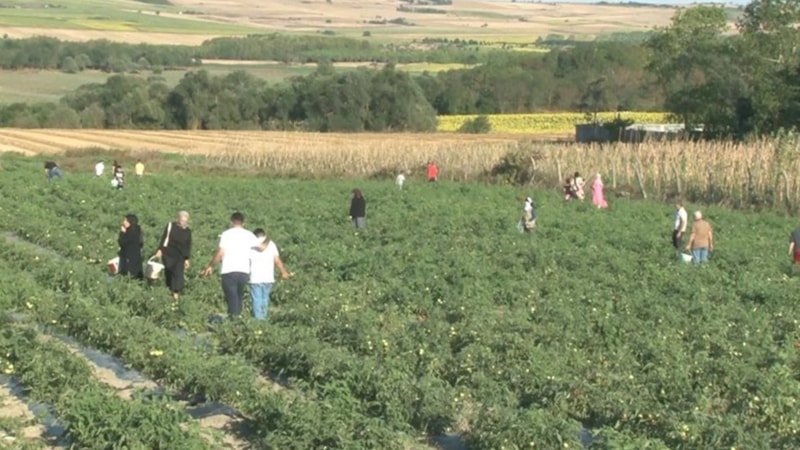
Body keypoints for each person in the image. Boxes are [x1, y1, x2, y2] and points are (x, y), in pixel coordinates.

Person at [201, 212, 270, 318]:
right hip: (244, 271)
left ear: (231, 222)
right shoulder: (249, 235)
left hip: (229, 270)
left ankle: (234, 321)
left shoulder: (227, 234)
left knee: (231, 297)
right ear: (244, 223)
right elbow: (261, 248)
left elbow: (221, 252)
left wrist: (211, 266)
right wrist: (268, 237)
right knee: (238, 296)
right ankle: (237, 320)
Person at [249, 228, 291, 320]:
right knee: (265, 299)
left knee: (257, 299)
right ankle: (263, 318)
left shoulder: (251, 244)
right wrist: (284, 272)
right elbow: (277, 260)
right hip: (268, 276)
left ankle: (258, 320)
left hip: (255, 277)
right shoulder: (271, 244)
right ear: (264, 234)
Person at [153, 211, 192, 300]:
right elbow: (164, 238)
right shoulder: (171, 226)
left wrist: (186, 258)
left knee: (178, 274)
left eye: (186, 221)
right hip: (168, 254)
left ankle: (176, 295)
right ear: (178, 219)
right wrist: (160, 250)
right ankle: (169, 292)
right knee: (169, 272)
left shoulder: (187, 231)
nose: (184, 223)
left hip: (180, 256)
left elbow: (188, 245)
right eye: (182, 220)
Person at [117, 214, 143, 279]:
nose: (123, 222)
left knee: (128, 275)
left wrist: (122, 233)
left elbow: (122, 242)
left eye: (126, 221)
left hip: (128, 258)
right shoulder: (138, 230)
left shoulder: (130, 232)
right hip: (136, 257)